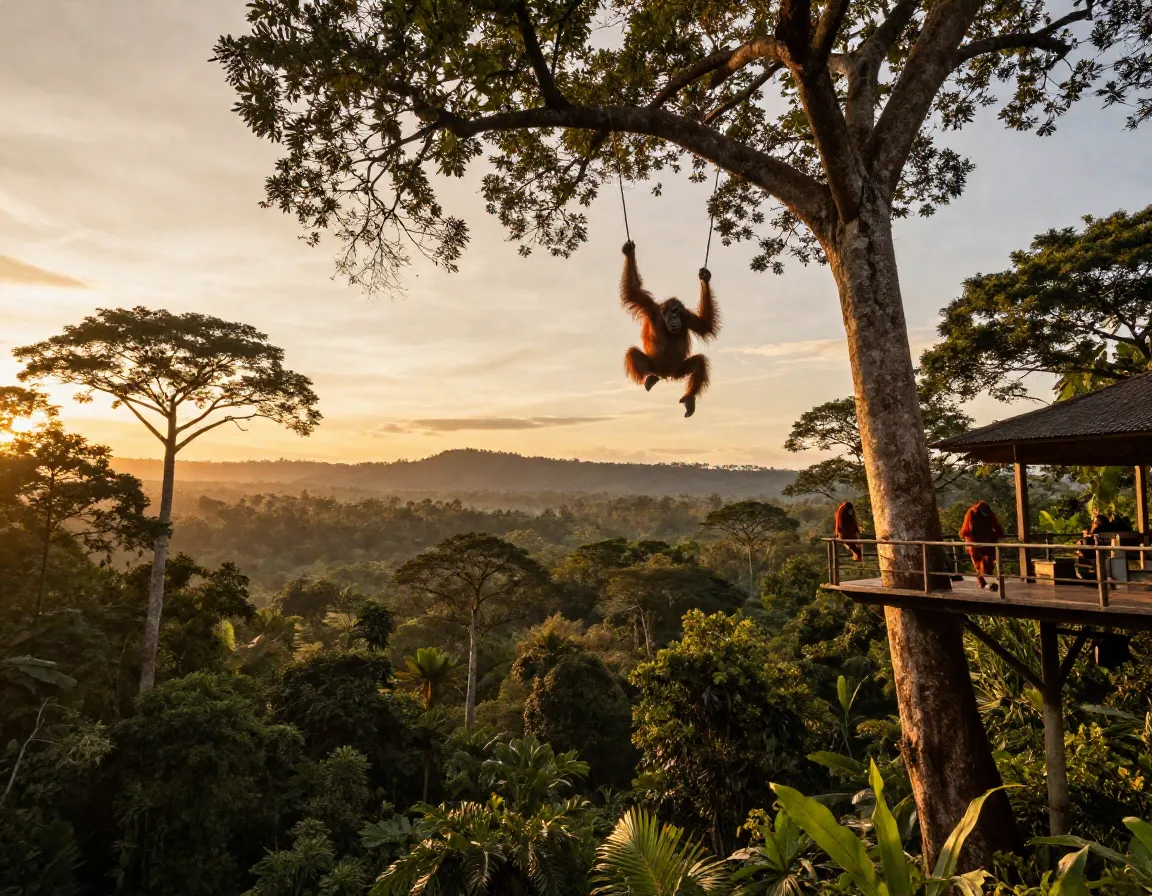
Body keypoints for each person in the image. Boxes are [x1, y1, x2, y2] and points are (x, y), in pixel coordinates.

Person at [959, 500, 1005, 591]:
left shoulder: (989, 514)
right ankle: (982, 581)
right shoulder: (972, 513)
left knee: (988, 562)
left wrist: (999, 534)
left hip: (987, 541)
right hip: (974, 542)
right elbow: (968, 530)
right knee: (977, 563)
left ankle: (987, 580)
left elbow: (996, 525)